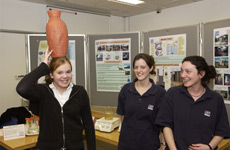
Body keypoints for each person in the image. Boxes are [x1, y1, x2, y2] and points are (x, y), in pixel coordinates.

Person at [16, 47, 96, 150]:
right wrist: (43, 67)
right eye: (59, 73)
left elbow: (88, 125)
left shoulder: (80, 92)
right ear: (51, 75)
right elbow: (22, 88)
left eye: (68, 72)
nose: (65, 76)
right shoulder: (43, 92)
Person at [155, 56, 230, 150]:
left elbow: (221, 130)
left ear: (201, 74)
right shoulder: (172, 94)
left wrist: (209, 147)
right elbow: (166, 125)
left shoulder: (215, 99)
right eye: (182, 71)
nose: (182, 75)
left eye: (188, 71)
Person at [117, 53, 166, 150]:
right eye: (136, 67)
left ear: (151, 68)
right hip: (126, 145)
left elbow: (163, 123)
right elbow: (123, 116)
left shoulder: (160, 93)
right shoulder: (126, 90)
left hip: (149, 145)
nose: (139, 70)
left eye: (143, 67)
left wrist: (163, 144)